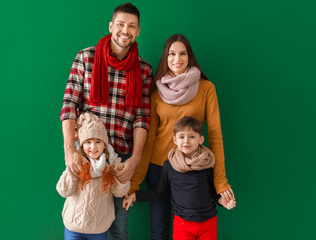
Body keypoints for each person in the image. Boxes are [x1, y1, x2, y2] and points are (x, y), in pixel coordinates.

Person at [59, 3, 152, 239]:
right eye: (120, 24)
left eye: (131, 26)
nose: (125, 30)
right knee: (79, 220)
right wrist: (70, 150)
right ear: (111, 26)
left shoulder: (144, 70)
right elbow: (69, 106)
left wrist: (136, 159)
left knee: (119, 228)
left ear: (138, 31)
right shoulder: (86, 58)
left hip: (120, 162)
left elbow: (142, 118)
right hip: (87, 158)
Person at [129, 34, 235, 239]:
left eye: (182, 53)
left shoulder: (206, 88)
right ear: (165, 58)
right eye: (171, 54)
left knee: (195, 228)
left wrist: (220, 182)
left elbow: (215, 135)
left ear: (189, 57)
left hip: (195, 169)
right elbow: (149, 138)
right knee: (159, 231)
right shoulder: (156, 91)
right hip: (159, 167)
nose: (177, 59)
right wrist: (135, 182)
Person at [124, 117, 236, 240]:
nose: (186, 141)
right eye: (181, 137)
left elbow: (213, 191)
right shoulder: (169, 165)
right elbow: (161, 192)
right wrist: (135, 196)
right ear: (175, 140)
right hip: (183, 224)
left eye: (192, 137)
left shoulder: (207, 163)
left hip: (208, 223)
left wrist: (221, 200)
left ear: (201, 139)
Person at [57, 112, 130, 240]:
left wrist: (120, 177)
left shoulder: (111, 166)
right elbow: (63, 191)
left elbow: (119, 192)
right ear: (81, 145)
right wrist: (72, 172)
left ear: (104, 145)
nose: (93, 147)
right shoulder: (77, 164)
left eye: (98, 142)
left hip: (99, 228)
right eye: (88, 142)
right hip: (74, 226)